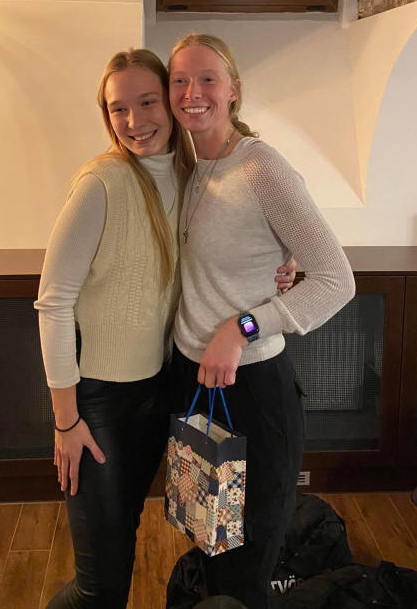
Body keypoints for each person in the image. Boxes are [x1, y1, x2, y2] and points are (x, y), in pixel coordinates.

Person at [35, 48, 295, 609]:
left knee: (131, 546)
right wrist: (65, 421)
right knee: (99, 586)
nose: (134, 121)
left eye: (148, 102)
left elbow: (241, 239)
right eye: (118, 109)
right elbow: (52, 305)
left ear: (172, 106)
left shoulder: (188, 175)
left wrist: (285, 257)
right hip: (98, 407)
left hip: (161, 394)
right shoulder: (100, 183)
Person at [168, 33, 356, 609]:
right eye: (180, 80)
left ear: (233, 90)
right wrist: (283, 260)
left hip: (252, 390)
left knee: (247, 564)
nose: (192, 92)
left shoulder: (261, 167)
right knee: (208, 541)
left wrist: (243, 327)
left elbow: (337, 279)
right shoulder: (186, 166)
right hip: (192, 382)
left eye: (207, 79)